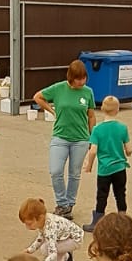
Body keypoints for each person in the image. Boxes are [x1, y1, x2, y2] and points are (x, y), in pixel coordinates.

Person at [33, 60, 96, 216]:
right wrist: (51, 110)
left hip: (81, 138)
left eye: (84, 78)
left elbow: (91, 116)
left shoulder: (88, 92)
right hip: (60, 136)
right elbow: (38, 97)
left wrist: (92, 137)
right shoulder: (58, 88)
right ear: (71, 77)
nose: (81, 81)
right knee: (55, 171)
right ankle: (62, 202)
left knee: (74, 174)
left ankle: (69, 205)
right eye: (78, 78)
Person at [82, 95, 132, 229]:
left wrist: (89, 165)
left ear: (103, 109)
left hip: (104, 170)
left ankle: (97, 222)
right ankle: (123, 221)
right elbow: (129, 149)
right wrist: (127, 153)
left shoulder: (97, 130)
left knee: (102, 195)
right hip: (120, 168)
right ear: (117, 110)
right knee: (120, 194)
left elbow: (93, 151)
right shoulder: (122, 128)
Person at [18, 196, 84, 261]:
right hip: (65, 237)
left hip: (75, 239)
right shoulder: (44, 220)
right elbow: (40, 238)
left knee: (46, 250)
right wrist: (30, 250)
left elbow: (52, 253)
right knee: (47, 249)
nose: (27, 227)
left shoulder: (50, 229)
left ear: (40, 218)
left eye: (29, 224)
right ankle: (66, 256)